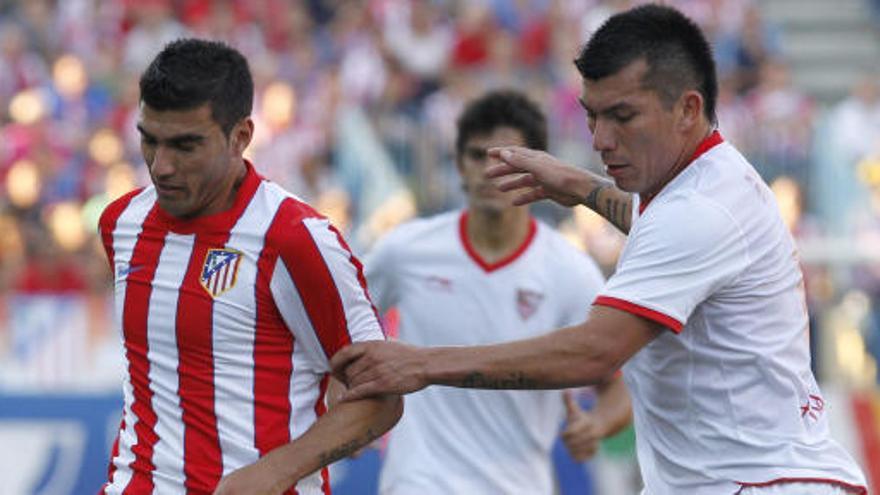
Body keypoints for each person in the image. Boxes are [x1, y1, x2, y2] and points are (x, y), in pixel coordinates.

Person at [331, 5, 869, 495]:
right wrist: (582, 187)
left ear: (687, 108)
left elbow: (595, 353)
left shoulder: (698, 212)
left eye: (623, 116)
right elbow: (651, 221)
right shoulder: (702, 185)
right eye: (592, 116)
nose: (600, 139)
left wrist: (420, 364)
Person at [97, 38, 401, 495]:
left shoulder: (295, 238)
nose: (161, 166)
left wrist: (275, 471)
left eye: (185, 145)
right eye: (149, 140)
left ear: (240, 137)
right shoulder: (121, 224)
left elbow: (381, 398)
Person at [364, 90, 631, 494]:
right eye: (477, 155)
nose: (491, 170)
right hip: (417, 482)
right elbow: (337, 331)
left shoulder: (570, 272)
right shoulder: (404, 251)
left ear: (538, 170)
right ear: (458, 165)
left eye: (507, 158)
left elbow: (621, 384)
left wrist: (595, 424)